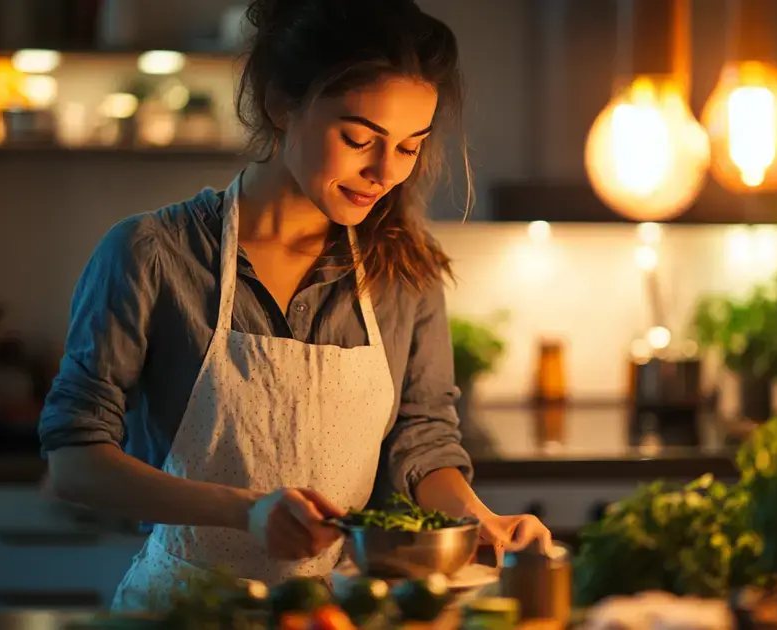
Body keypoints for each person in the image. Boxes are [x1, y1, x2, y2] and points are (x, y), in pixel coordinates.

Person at [39, 0, 552, 612]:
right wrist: (243, 512)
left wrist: (480, 522)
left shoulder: (403, 272)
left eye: (410, 147)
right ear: (282, 103)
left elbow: (424, 444)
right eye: (358, 138)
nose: (384, 173)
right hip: (185, 611)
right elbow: (74, 465)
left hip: (330, 614)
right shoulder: (151, 255)